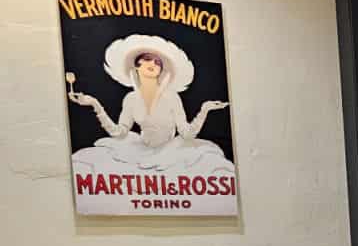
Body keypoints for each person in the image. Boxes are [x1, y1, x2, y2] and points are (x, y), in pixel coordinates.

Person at [67, 34, 233, 178]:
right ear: (137, 66)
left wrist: (205, 110)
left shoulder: (172, 97)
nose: (153, 63)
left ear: (161, 70)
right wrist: (95, 105)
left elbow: (187, 134)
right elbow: (118, 132)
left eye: (158, 62)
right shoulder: (131, 98)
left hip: (172, 153)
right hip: (140, 151)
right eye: (147, 59)